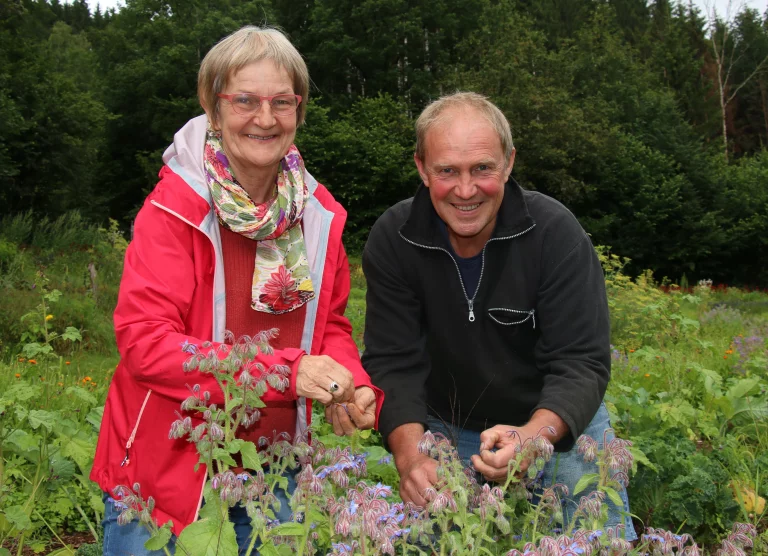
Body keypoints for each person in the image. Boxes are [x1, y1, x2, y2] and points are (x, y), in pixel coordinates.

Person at [90, 26, 383, 555]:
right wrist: (287, 373)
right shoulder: (175, 209)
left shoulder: (317, 215)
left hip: (278, 472)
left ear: (300, 108)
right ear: (212, 106)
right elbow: (146, 344)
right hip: (169, 472)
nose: (265, 119)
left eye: (282, 102)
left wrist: (353, 385)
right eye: (245, 100)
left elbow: (330, 324)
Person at [359, 92, 636, 539]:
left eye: (482, 169)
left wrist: (533, 436)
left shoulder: (554, 233)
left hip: (554, 421)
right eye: (447, 170)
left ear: (508, 164)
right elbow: (394, 364)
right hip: (446, 430)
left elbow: (581, 362)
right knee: (434, 542)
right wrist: (412, 459)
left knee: (599, 537)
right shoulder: (396, 238)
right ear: (422, 169)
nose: (465, 190)